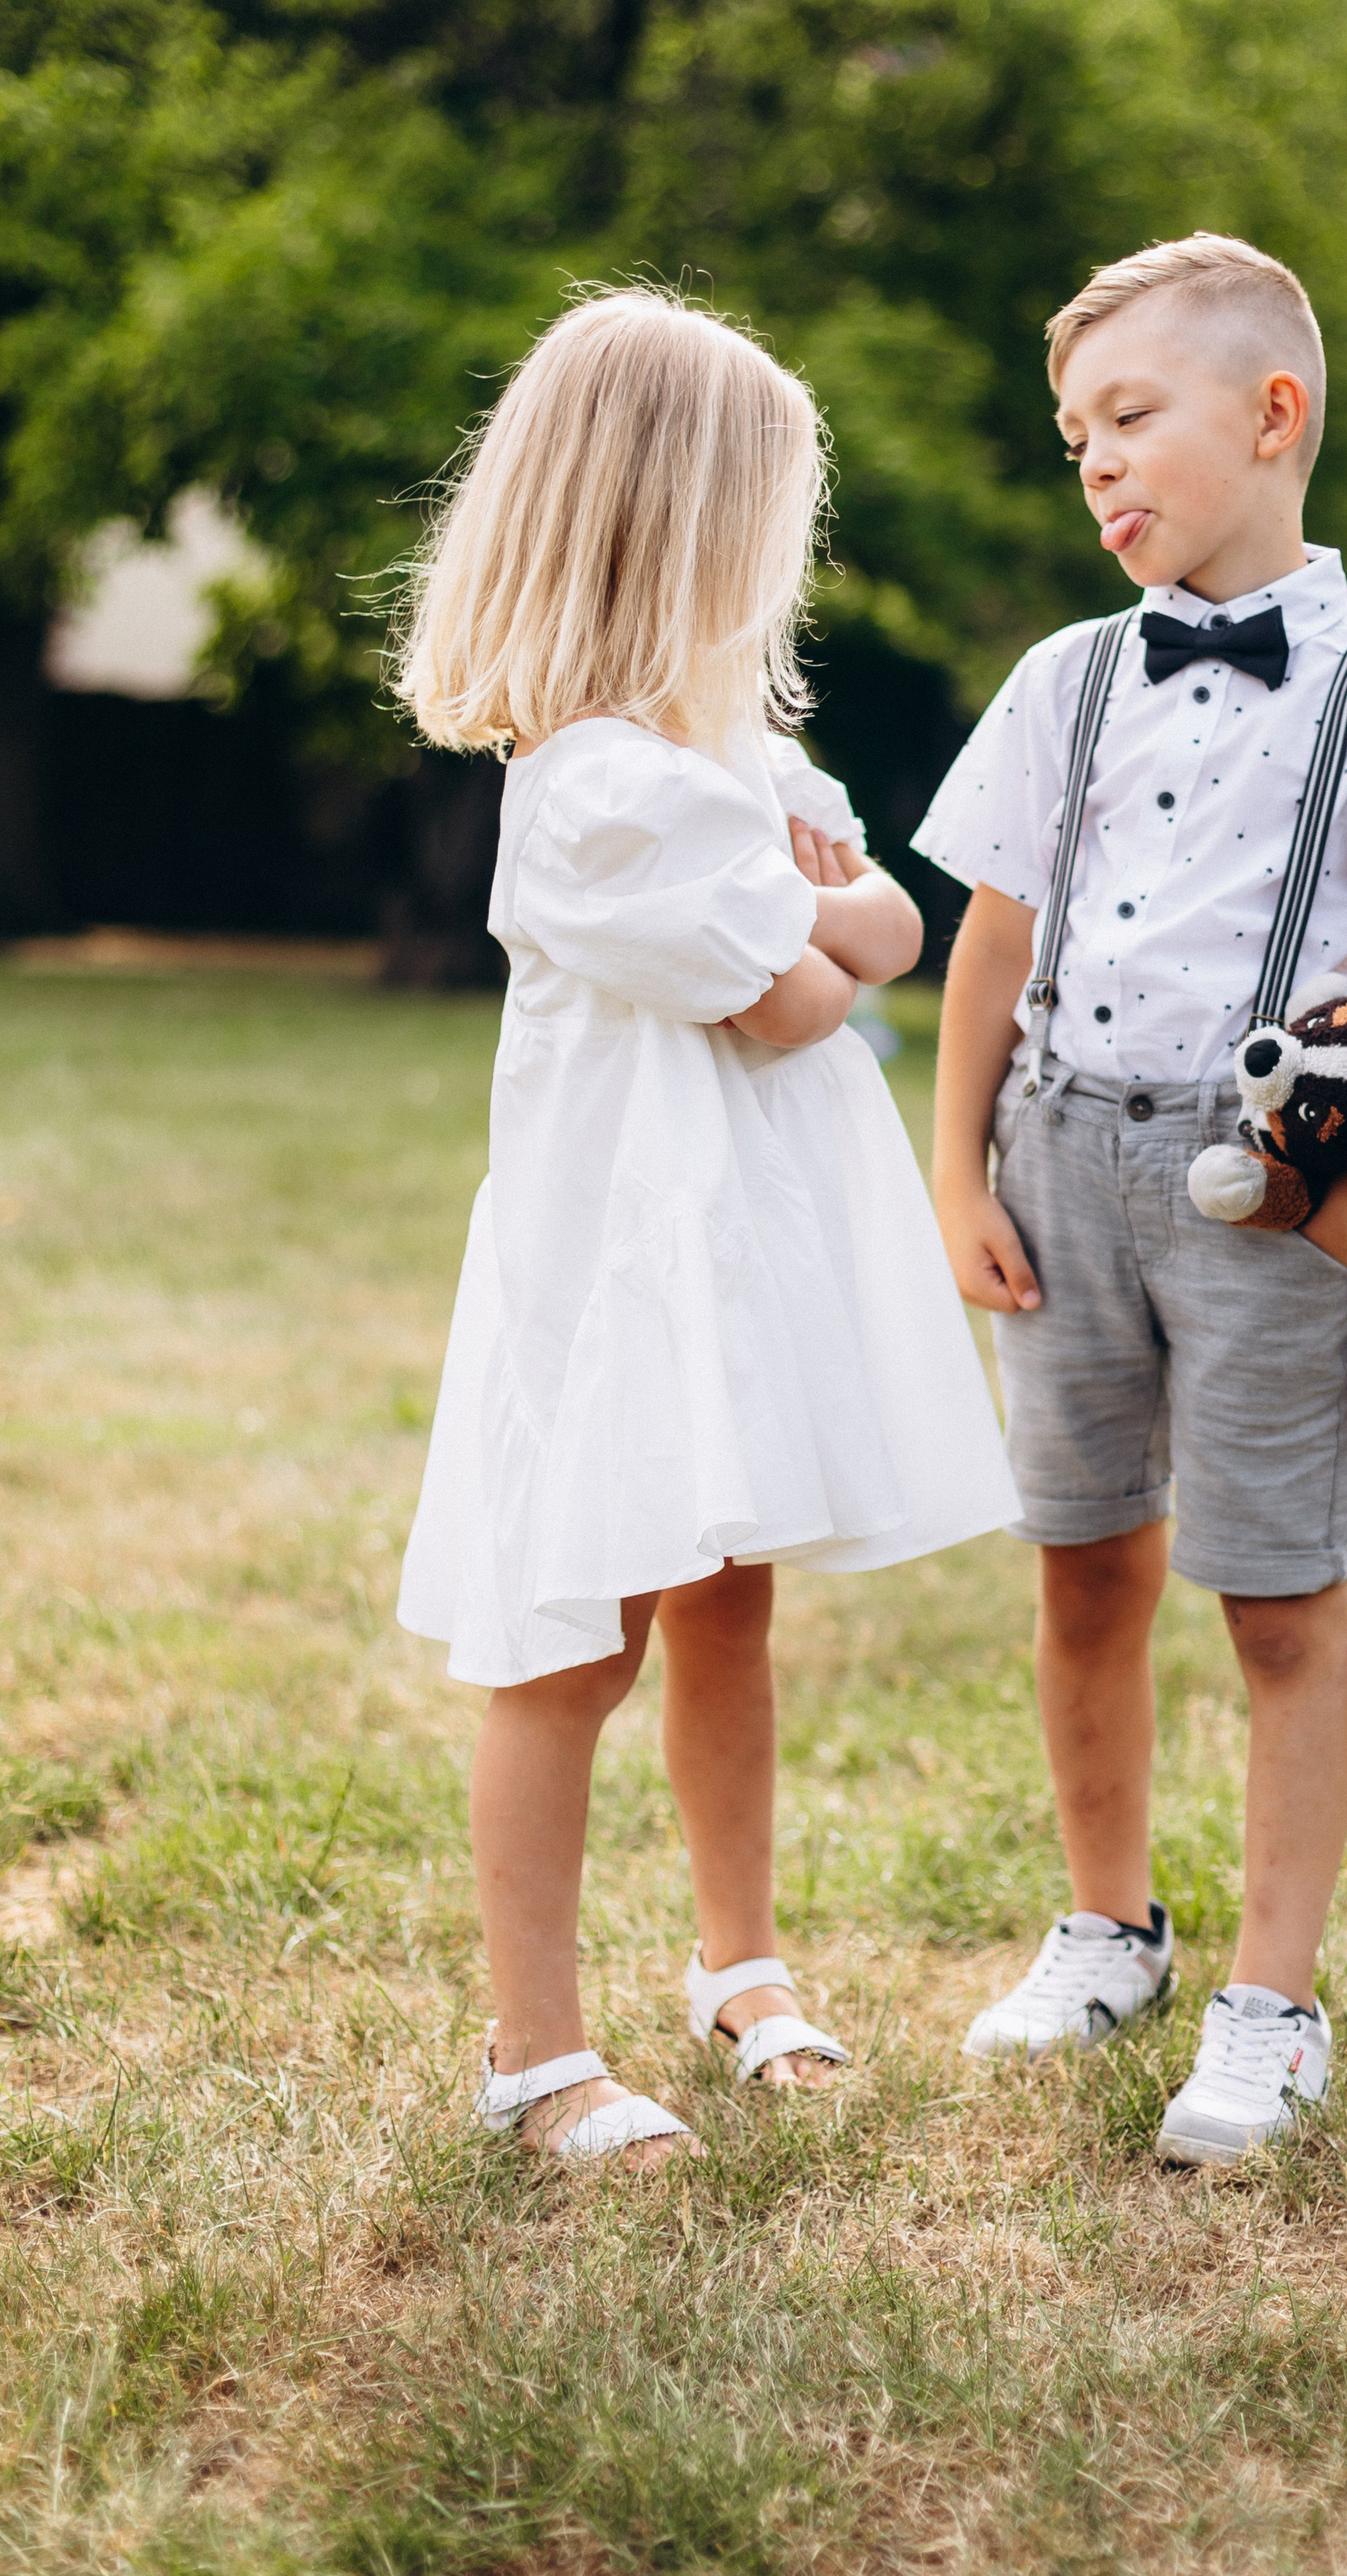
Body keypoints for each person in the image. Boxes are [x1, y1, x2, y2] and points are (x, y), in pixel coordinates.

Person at [913, 233, 1347, 2165]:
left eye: (1127, 417)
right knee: (1082, 1564)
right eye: (1072, 438)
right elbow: (989, 938)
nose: (1093, 463)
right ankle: (1107, 1928)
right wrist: (954, 1172)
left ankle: (1270, 2005)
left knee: (1274, 1590)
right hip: (1056, 1158)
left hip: (1261, 1189)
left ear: (1271, 417)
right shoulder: (1063, 679)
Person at [392, 288, 1017, 2168]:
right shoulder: (594, 795)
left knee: (730, 1601)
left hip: (740, 1263)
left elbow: (892, 925)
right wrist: (825, 921)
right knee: (573, 1642)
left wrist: (824, 914)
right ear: (675, 533)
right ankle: (535, 2053)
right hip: (619, 1275)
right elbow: (797, 999)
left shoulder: (739, 763)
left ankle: (738, 1963)